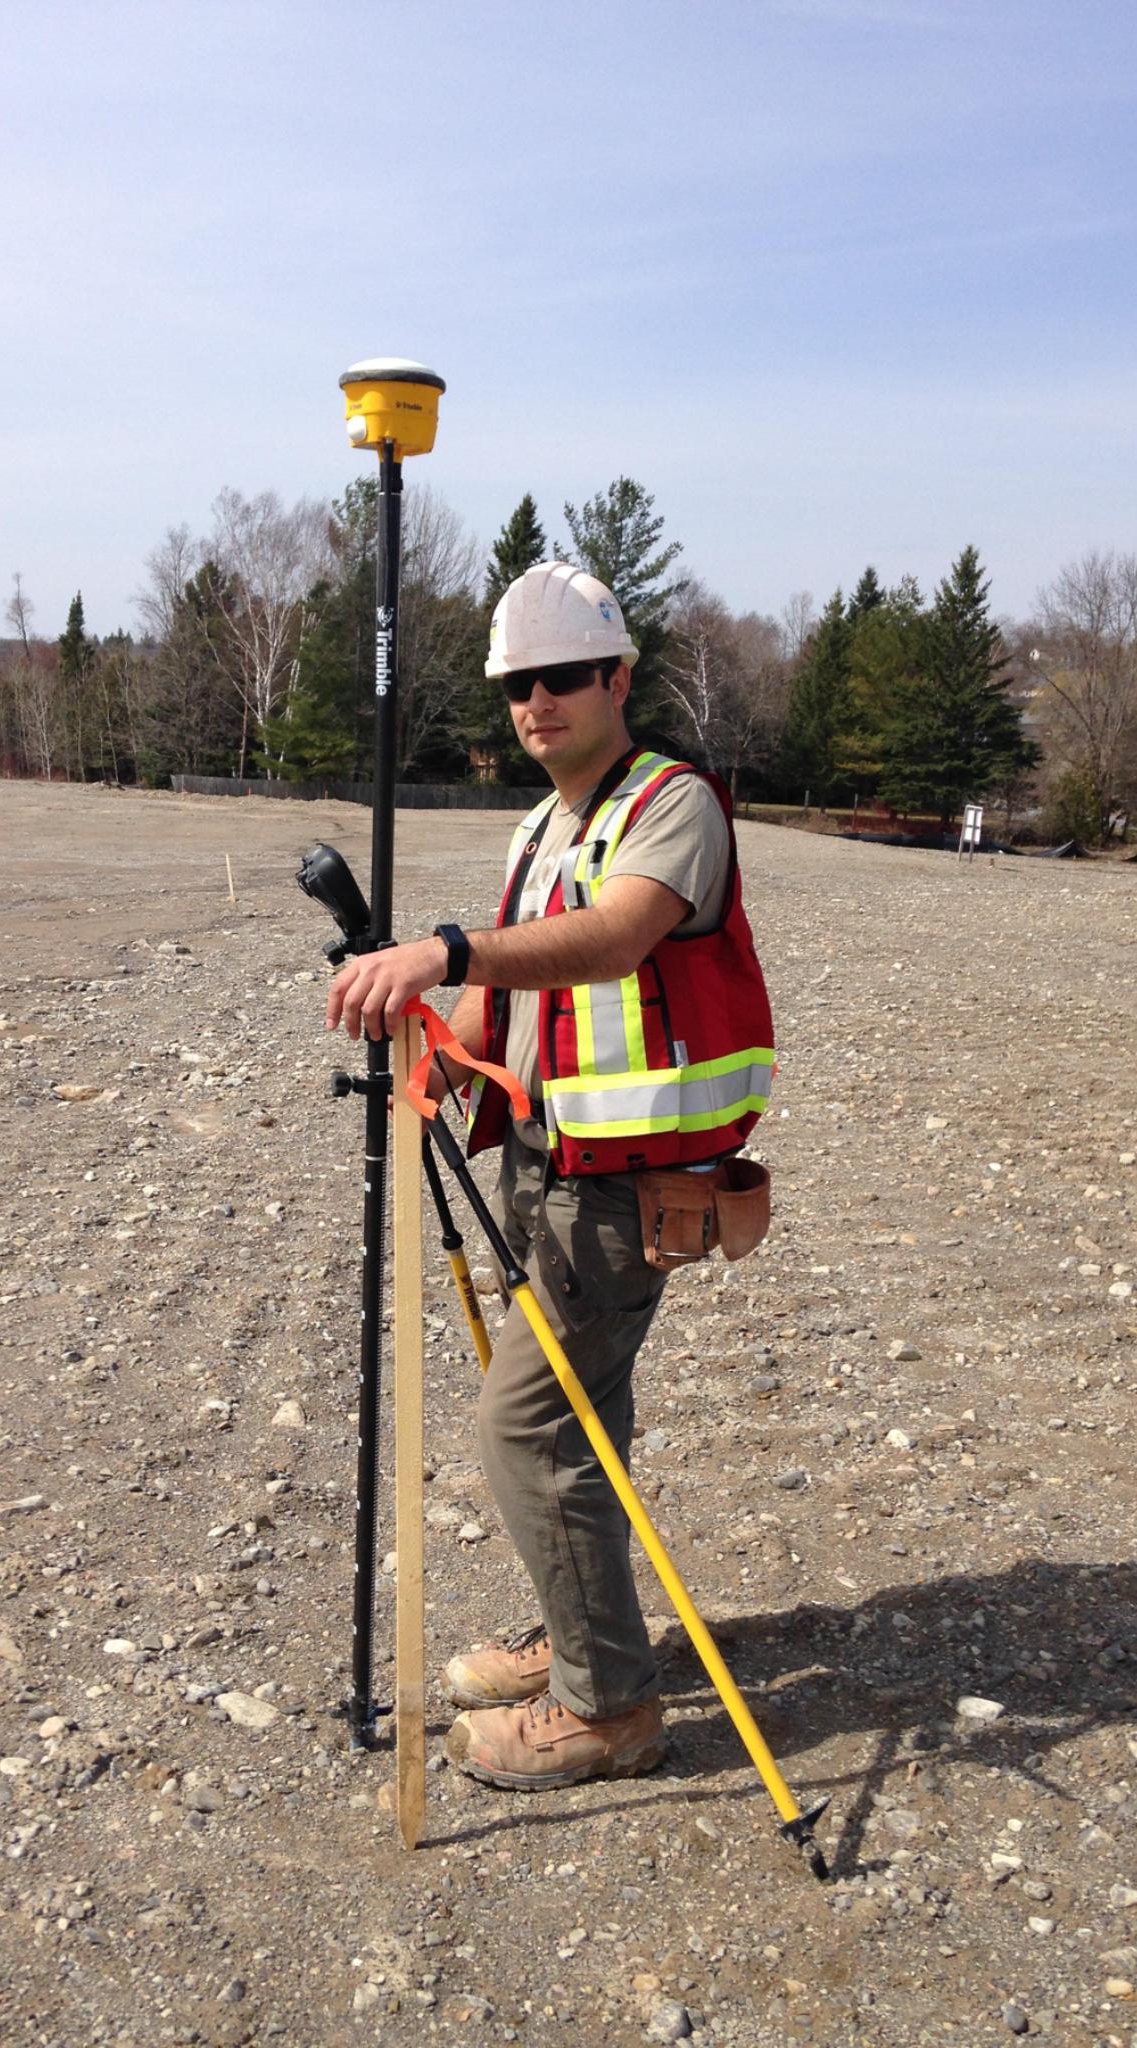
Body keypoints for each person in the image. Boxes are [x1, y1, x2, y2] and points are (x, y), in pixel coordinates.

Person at [324, 561, 773, 1790]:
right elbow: (522, 986)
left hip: (621, 1196)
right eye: (519, 684)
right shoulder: (543, 822)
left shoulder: (669, 804)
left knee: (527, 1430)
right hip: (539, 1170)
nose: (537, 702)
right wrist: (453, 1048)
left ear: (617, 677)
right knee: (584, 1425)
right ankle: (586, 1641)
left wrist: (445, 945)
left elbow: (617, 935)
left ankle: (608, 1707)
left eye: (562, 676)